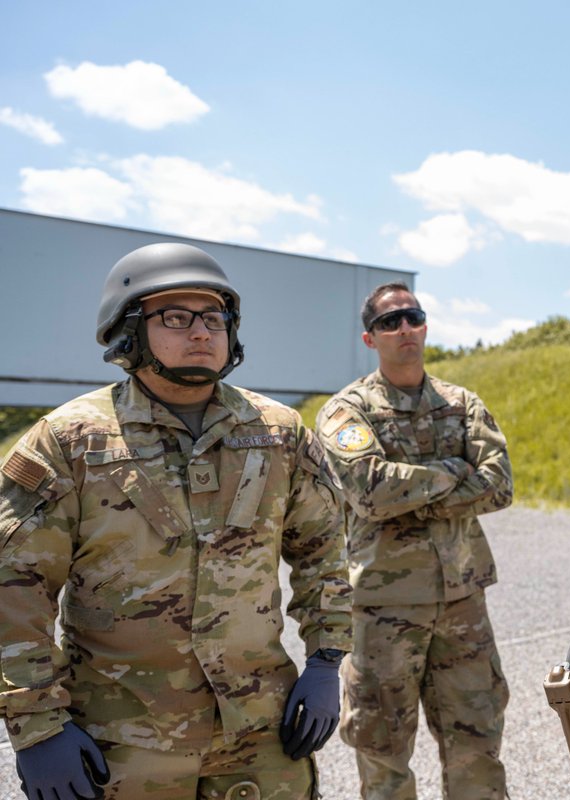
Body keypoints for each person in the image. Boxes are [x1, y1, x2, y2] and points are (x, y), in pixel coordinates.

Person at [0, 243, 353, 799]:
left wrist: (326, 661)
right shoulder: (70, 442)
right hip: (122, 741)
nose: (202, 332)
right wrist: (37, 725)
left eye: (214, 317)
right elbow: (16, 586)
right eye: (175, 318)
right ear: (127, 332)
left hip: (261, 733)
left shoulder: (278, 433)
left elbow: (323, 548)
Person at [317, 282, 513, 800]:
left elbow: (499, 484)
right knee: (383, 750)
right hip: (386, 606)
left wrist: (410, 492)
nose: (404, 327)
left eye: (413, 317)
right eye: (390, 321)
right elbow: (369, 490)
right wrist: (454, 471)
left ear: (424, 326)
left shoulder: (461, 403)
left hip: (463, 601)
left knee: (477, 742)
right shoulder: (346, 410)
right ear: (370, 337)